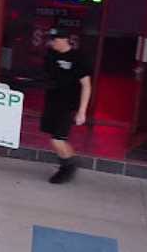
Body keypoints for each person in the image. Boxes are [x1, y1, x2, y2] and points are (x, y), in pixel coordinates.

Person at [39, 28, 92, 184]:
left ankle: (69, 165)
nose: (51, 43)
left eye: (54, 40)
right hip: (51, 103)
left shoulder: (78, 58)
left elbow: (86, 85)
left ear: (64, 40)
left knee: (58, 140)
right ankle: (68, 163)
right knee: (53, 138)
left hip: (68, 105)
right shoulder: (51, 55)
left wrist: (82, 111)